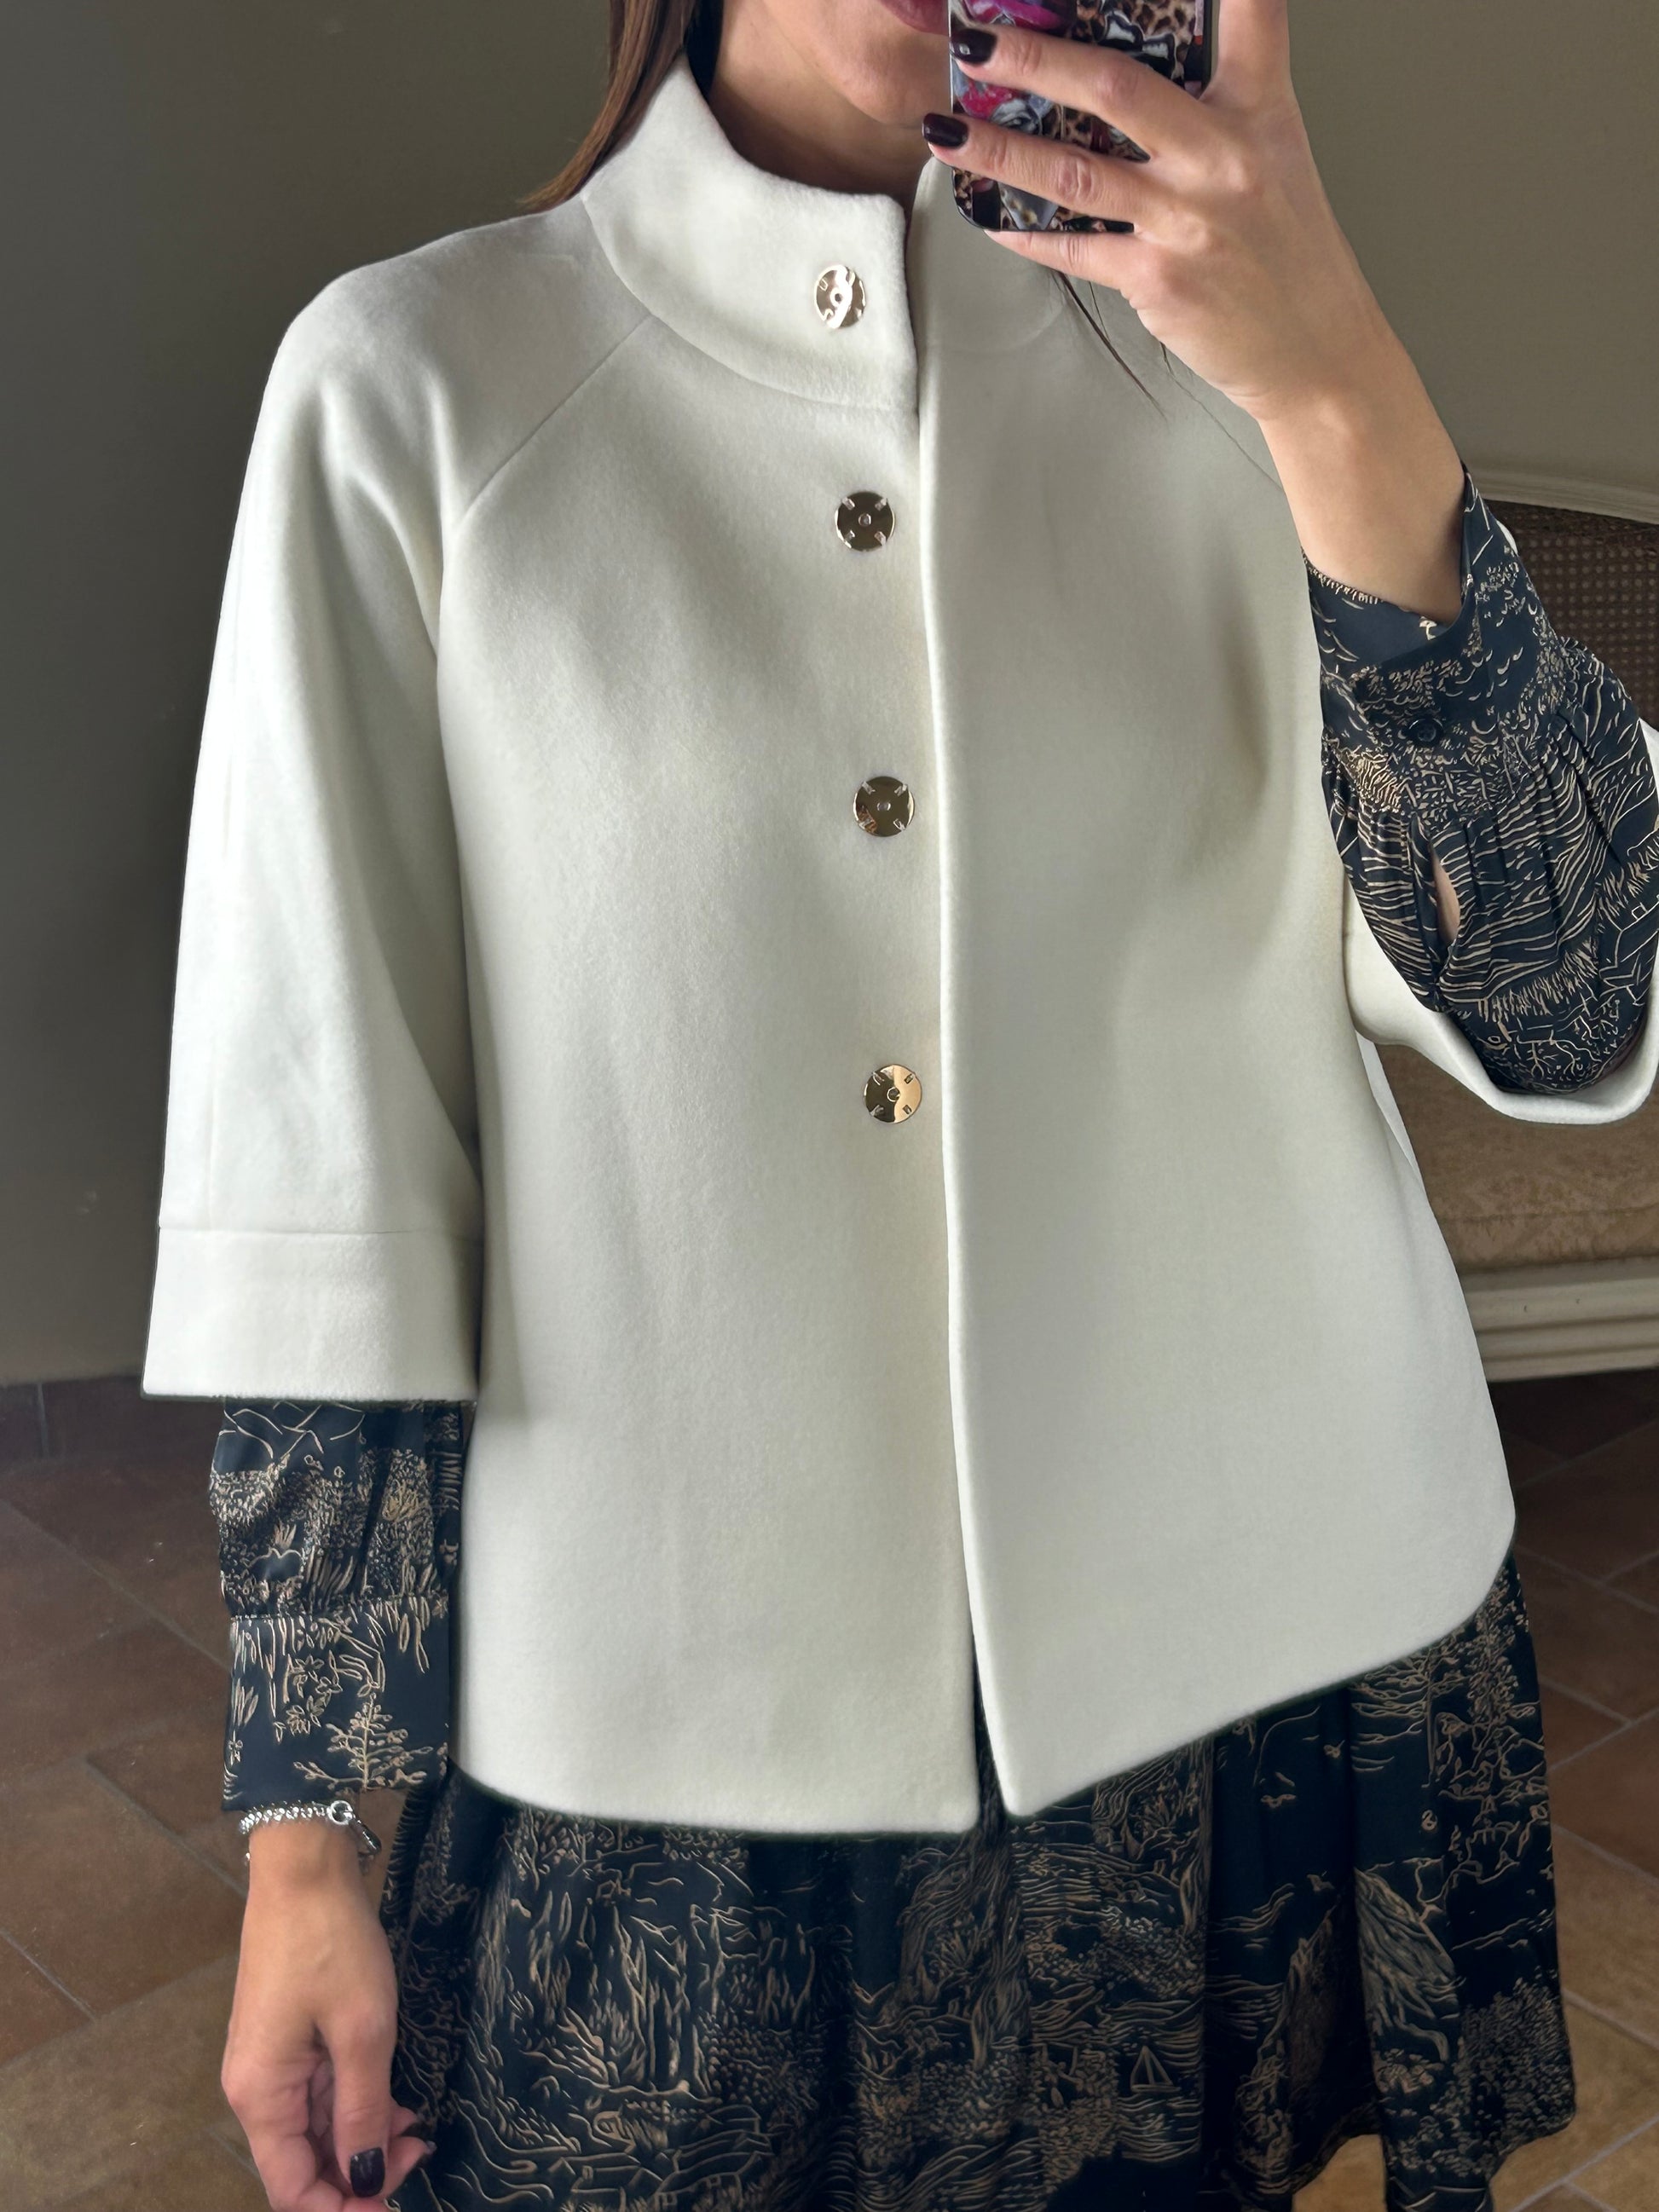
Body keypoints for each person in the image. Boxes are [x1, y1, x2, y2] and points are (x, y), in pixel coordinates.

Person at [142, 0, 1659, 2204]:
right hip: (655, 1742)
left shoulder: (1245, 366)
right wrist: (302, 1833)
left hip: (1246, 1678)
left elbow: (1567, 990)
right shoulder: (415, 385)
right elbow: (333, 1152)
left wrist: (1335, 370)